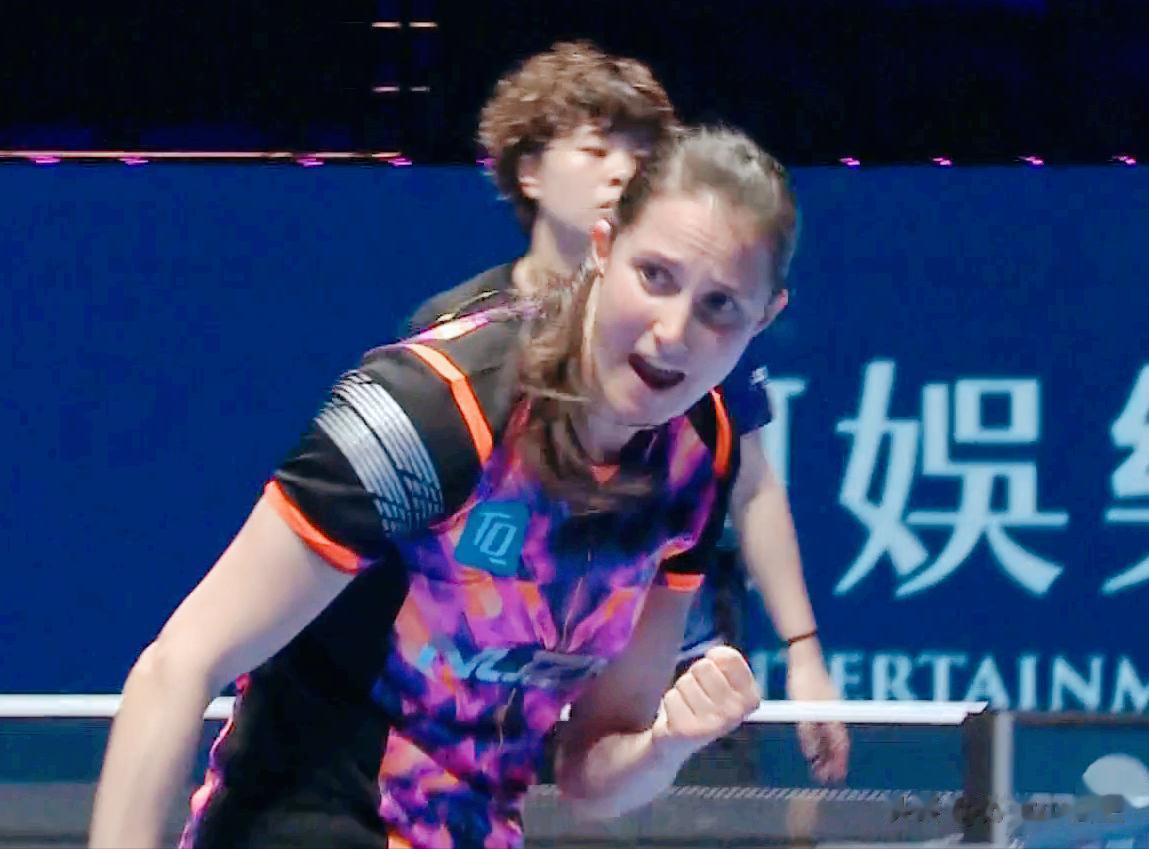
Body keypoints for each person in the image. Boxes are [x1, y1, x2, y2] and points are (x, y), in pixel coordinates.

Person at [89, 126, 797, 849]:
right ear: (603, 246)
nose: (673, 331)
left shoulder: (697, 457)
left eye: (720, 306)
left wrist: (668, 742)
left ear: (764, 317)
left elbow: (589, 773)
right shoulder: (433, 410)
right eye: (655, 276)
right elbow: (178, 665)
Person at [408, 41, 848, 780]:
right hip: (485, 679)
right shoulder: (453, 344)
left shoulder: (701, 351)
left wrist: (803, 652)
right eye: (595, 149)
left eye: (639, 152)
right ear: (529, 170)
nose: (620, 169)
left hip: (671, 662)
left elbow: (754, 487)